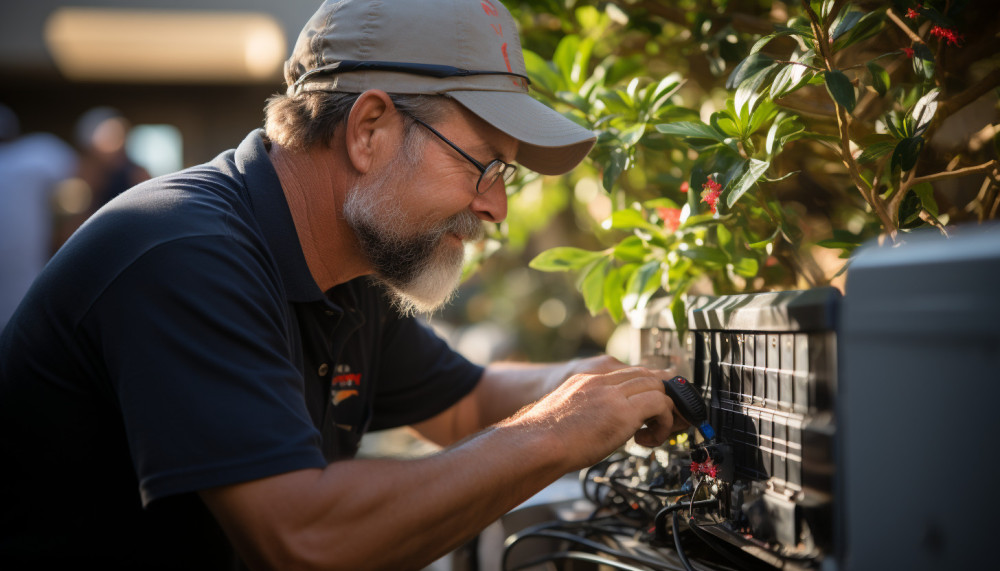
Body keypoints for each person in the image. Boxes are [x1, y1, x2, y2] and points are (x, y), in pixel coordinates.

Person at [0, 1, 685, 569]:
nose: (495, 208)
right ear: (369, 130)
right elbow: (303, 539)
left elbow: (464, 402)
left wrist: (611, 384)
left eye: (505, 175)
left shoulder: (348, 259)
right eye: (483, 164)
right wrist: (560, 429)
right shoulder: (184, 254)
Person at [0, 104, 77, 330]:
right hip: (24, 307)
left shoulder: (36, 157)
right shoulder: (38, 155)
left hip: (23, 294)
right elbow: (83, 175)